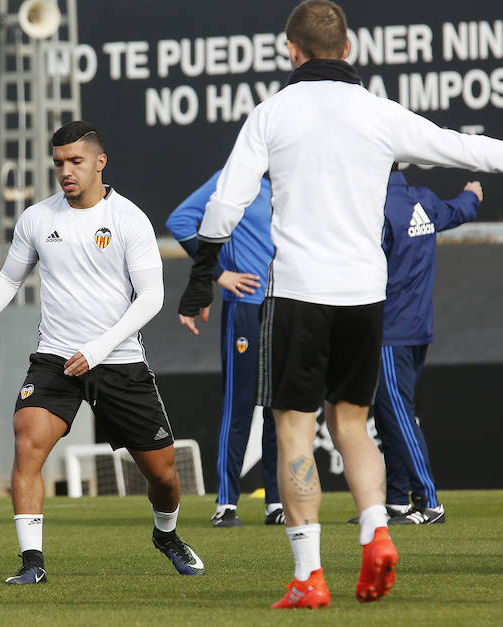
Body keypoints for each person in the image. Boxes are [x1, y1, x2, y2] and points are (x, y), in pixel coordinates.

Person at [176, 0, 503, 609]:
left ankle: (309, 575)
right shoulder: (378, 113)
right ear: (348, 49)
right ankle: (378, 532)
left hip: (298, 294)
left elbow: (222, 208)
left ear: (290, 50)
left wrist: (201, 278)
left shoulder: (270, 114)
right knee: (353, 424)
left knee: (295, 429)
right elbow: (470, 150)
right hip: (365, 298)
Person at [0, 120, 205, 584]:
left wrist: (99, 347)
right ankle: (32, 564)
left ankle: (167, 535)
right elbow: (8, 280)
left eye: (76, 161)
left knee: (163, 476)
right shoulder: (37, 219)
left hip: (118, 360)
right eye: (59, 162)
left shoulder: (129, 219)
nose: (66, 170)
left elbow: (152, 298)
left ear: (100, 163)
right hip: (55, 360)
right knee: (27, 447)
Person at [166, 171, 284, 528]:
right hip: (245, 305)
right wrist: (219, 274)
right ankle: (227, 504)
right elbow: (181, 220)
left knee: (279, 410)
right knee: (240, 405)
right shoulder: (234, 178)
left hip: (288, 304)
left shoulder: (295, 178)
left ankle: (276, 503)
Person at [375, 167, 482, 524]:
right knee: (391, 413)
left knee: (397, 413)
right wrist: (472, 195)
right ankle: (395, 500)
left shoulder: (375, 206)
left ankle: (429, 502)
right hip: (417, 327)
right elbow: (458, 211)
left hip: (389, 329)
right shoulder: (423, 198)